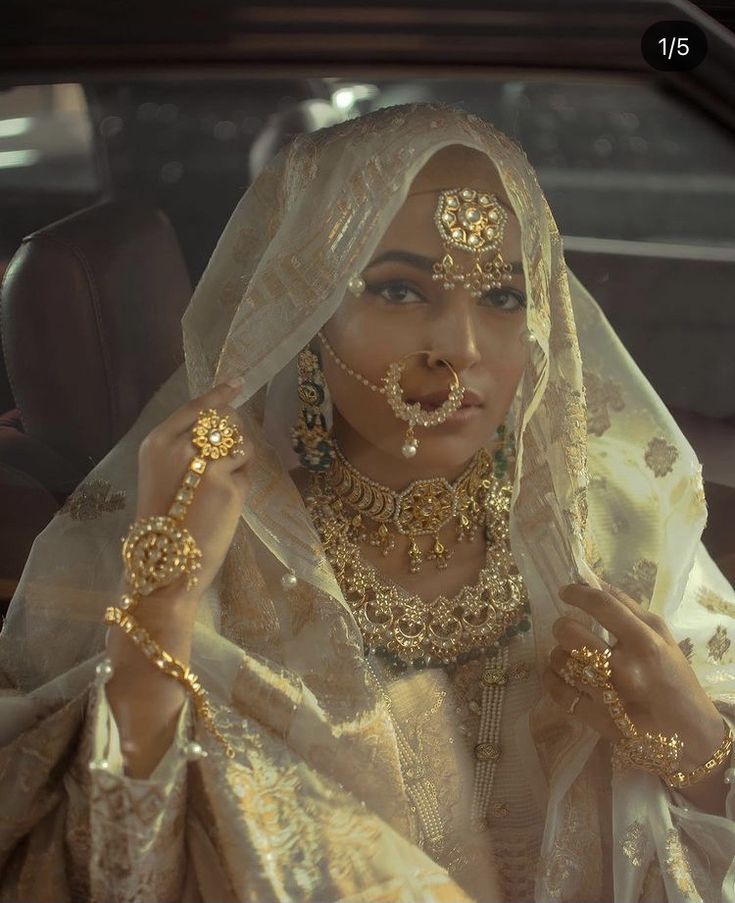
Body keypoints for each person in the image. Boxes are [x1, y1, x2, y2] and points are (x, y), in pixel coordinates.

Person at [1, 102, 734, 903]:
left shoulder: (611, 523)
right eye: (397, 289)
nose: (458, 344)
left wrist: (696, 744)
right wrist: (165, 596)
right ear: (307, 313)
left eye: (501, 295)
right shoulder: (206, 538)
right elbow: (103, 868)